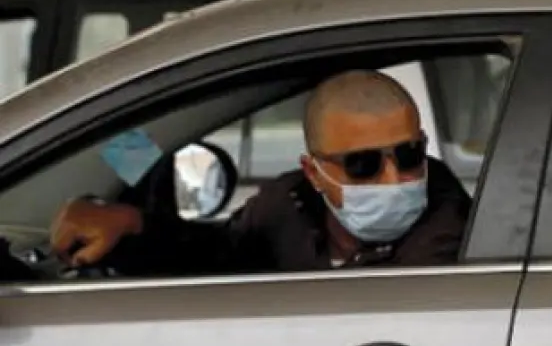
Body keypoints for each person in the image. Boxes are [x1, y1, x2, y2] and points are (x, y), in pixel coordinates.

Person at [49, 70, 472, 274]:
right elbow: (215, 255)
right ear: (314, 172)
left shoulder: (450, 233)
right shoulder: (287, 205)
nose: (395, 179)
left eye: (410, 154)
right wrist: (132, 224)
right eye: (363, 165)